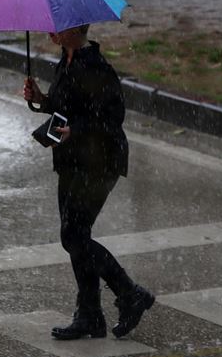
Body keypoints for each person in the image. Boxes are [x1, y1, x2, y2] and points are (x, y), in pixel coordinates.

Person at [23, 24, 154, 339]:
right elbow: (65, 106)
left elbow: (111, 118)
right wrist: (41, 99)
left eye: (57, 26)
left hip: (99, 161)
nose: (49, 30)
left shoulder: (95, 66)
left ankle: (129, 293)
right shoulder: (65, 59)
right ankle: (91, 315)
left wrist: (76, 131)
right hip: (71, 160)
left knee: (73, 235)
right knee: (76, 235)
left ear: (75, 27)